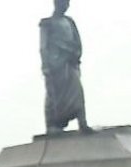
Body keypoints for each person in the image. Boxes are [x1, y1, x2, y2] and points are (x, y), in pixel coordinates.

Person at [40, 0, 90, 134]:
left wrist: (76, 54)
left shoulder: (70, 21)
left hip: (70, 62)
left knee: (77, 92)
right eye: (63, 3)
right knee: (54, 95)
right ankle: (52, 125)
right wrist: (45, 65)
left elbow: (77, 40)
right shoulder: (47, 23)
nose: (66, 6)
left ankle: (82, 122)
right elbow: (43, 47)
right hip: (56, 65)